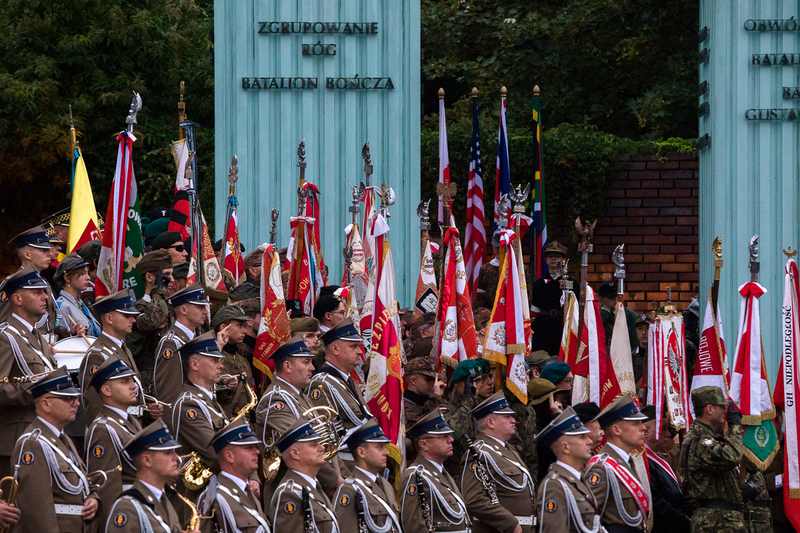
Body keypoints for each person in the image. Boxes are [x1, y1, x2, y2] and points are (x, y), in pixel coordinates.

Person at [253, 335, 342, 506]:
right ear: (287, 366)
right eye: (306, 362)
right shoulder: (275, 401)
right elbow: (302, 448)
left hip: (314, 487)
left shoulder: (298, 396)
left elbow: (329, 446)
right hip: (292, 495)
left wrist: (342, 476)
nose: (312, 367)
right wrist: (334, 480)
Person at [12, 366, 100, 532]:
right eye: (68, 398)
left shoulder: (62, 439)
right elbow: (37, 512)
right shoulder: (33, 444)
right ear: (46, 404)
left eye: (75, 397)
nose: (76, 403)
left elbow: (82, 483)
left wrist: (93, 499)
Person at [0, 267, 60, 478]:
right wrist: (39, 390)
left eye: (45, 292)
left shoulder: (38, 339)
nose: (45, 297)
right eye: (36, 292)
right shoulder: (6, 337)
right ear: (17, 298)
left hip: (42, 436)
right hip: (14, 442)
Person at [168, 332, 232, 516]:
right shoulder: (189, 404)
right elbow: (214, 450)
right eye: (214, 360)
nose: (221, 365)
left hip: (212, 494)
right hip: (196, 500)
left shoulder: (208, 400)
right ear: (194, 364)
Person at [79, 290, 160, 422]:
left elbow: (127, 401)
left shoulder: (124, 350)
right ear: (109, 318)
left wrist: (147, 411)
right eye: (126, 316)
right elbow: (95, 405)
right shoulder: (98, 355)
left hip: (130, 428)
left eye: (133, 316)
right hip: (113, 431)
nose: (133, 320)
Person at [462, 391, 536, 533]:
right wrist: (510, 523)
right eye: (507, 417)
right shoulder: (479, 453)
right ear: (490, 422)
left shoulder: (508, 449)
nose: (513, 420)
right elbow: (474, 500)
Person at [85, 358, 144, 530]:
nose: (134, 386)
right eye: (125, 382)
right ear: (106, 390)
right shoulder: (104, 428)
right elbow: (107, 489)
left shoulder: (129, 421)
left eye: (132, 380)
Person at [104, 420, 191, 533]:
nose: (176, 457)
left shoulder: (164, 500)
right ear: (147, 460)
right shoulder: (127, 508)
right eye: (168, 452)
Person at [680, 386, 746, 533]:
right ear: (710, 409)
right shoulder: (699, 441)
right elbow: (732, 457)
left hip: (721, 520)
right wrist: (735, 427)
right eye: (722, 406)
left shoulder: (709, 437)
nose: (725, 410)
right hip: (715, 523)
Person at [584, 394, 649, 533]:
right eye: (635, 423)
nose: (643, 428)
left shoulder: (626, 461)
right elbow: (586, 518)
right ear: (616, 430)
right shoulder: (601, 467)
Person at [401, 408, 471, 533]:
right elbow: (414, 526)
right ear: (424, 444)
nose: (451, 440)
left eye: (449, 435)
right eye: (444, 436)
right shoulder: (415, 475)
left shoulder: (442, 473)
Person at [196, 418, 271, 533]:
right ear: (229, 456)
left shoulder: (247, 491)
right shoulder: (211, 496)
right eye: (248, 448)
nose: (257, 451)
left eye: (255, 447)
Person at [535, 407, 602, 533]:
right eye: (582, 437)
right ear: (565, 447)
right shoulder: (554, 485)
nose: (589, 441)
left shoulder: (578, 478)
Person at [269, 419, 339, 533]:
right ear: (295, 453)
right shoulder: (289, 494)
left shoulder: (314, 487)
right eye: (313, 444)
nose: (321, 448)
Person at [333, 419, 401, 533]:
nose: (387, 452)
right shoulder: (349, 490)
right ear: (361, 452)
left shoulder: (386, 485)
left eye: (385, 447)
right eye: (380, 447)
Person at [307, 319, 371, 432]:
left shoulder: (348, 381)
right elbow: (328, 435)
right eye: (353, 346)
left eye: (359, 346)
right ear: (335, 349)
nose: (360, 351)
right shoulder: (320, 384)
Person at [154, 283, 209, 404]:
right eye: (200, 307)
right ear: (184, 310)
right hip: (184, 416)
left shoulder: (192, 338)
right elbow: (169, 393)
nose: (205, 311)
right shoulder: (171, 342)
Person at [128, 250, 174, 392]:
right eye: (166, 275)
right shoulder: (137, 308)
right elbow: (153, 321)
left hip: (167, 376)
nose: (172, 279)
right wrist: (159, 290)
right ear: (149, 277)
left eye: (172, 274)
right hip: (147, 381)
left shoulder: (167, 306)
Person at [641, 405, 690, 533]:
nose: (668, 434)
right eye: (662, 429)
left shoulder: (656, 459)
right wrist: (683, 520)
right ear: (645, 432)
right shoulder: (644, 462)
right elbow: (657, 503)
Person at [441, 358, 492, 478]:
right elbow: (453, 432)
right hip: (459, 474)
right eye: (471, 381)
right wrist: (467, 401)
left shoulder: (482, 406)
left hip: (483, 471)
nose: (475, 386)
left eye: (479, 381)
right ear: (456, 383)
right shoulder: (446, 408)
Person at [530, 240, 577, 356]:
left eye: (557, 256)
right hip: (543, 327)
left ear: (564, 260)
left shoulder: (572, 283)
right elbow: (534, 311)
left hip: (563, 325)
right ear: (546, 260)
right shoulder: (538, 284)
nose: (553, 259)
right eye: (550, 257)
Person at [212, 305, 256, 418]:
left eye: (245, 326)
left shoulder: (243, 360)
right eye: (239, 326)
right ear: (223, 328)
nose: (245, 331)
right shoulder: (212, 359)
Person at [55, 253, 101, 336]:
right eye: (83, 274)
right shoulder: (62, 307)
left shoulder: (79, 303)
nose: (88, 278)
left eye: (88, 273)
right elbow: (61, 339)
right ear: (67, 278)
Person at [597, 281, 639, 352]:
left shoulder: (629, 314)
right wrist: (604, 311)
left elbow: (635, 341)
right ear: (602, 299)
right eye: (611, 297)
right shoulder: (600, 315)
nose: (615, 299)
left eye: (616, 296)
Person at [404, 356, 443, 426]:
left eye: (434, 380)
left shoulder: (427, 400)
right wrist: (435, 398)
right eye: (428, 379)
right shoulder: (404, 405)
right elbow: (424, 428)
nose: (433, 384)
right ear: (414, 380)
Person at [475, 230, 502, 309]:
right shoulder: (485, 269)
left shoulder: (516, 269)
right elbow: (480, 295)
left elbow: (525, 295)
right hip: (490, 314)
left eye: (502, 247)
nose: (499, 250)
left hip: (512, 315)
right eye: (497, 247)